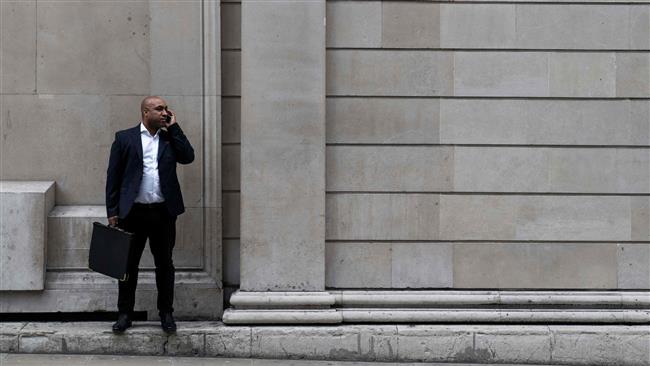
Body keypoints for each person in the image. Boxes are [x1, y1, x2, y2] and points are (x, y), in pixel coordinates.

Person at [105, 96, 194, 333]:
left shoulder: (169, 138)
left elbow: (188, 157)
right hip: (132, 213)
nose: (165, 112)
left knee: (165, 265)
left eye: (166, 109)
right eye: (159, 109)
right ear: (145, 113)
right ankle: (124, 314)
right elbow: (113, 177)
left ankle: (166, 313)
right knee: (127, 266)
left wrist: (174, 127)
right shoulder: (124, 138)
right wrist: (112, 211)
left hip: (163, 213)